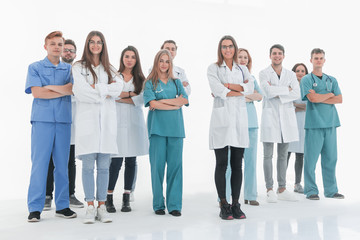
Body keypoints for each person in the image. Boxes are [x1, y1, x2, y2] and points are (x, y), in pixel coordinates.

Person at [25, 31, 77, 222]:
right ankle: (35, 208)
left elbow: (71, 89)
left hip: (63, 120)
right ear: (45, 46)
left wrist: (50, 88)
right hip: (42, 121)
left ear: (64, 47)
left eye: (60, 44)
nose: (57, 47)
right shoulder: (35, 67)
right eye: (53, 44)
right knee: (40, 164)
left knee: (62, 164)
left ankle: (62, 205)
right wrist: (60, 89)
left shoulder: (70, 70)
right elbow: (37, 93)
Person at [72, 31, 123, 223]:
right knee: (87, 167)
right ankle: (90, 206)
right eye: (92, 42)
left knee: (103, 167)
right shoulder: (78, 67)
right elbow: (80, 92)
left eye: (99, 42)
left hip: (106, 125)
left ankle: (102, 206)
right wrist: (105, 90)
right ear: (87, 44)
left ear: (103, 45)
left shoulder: (109, 67)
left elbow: (119, 88)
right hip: (87, 124)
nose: (95, 45)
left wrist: (96, 88)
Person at [207, 35, 253, 220]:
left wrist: (228, 86)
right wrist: (237, 89)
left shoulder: (242, 68)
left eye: (230, 46)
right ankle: (223, 204)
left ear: (235, 48)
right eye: (224, 47)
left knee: (237, 165)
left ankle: (236, 204)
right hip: (221, 121)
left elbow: (250, 88)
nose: (228, 50)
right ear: (220, 49)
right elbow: (219, 91)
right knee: (221, 164)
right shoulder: (213, 68)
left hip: (239, 121)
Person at [143, 49, 189, 217]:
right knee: (157, 168)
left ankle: (175, 205)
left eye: (167, 61)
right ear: (156, 62)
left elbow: (184, 100)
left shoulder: (177, 83)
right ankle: (158, 204)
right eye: (161, 61)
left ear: (171, 64)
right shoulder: (150, 83)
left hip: (176, 130)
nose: (164, 64)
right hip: (157, 130)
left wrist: (163, 101)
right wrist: (173, 104)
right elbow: (152, 104)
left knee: (176, 168)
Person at [105, 46, 148, 213]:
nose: (129, 59)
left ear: (136, 60)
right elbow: (111, 95)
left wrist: (123, 96)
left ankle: (126, 197)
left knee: (131, 161)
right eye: (126, 56)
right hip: (116, 122)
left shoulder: (141, 79)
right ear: (122, 58)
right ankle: (108, 197)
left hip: (133, 123)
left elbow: (142, 99)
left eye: (132, 57)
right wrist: (131, 94)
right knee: (115, 161)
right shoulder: (114, 76)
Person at [44, 39, 84, 210]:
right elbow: (43, 90)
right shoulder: (55, 70)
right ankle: (47, 196)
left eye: (71, 51)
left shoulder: (79, 72)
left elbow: (76, 90)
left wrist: (55, 89)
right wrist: (64, 89)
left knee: (70, 160)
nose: (68, 53)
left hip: (73, 121)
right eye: (65, 49)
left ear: (75, 54)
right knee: (50, 160)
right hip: (54, 118)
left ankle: (70, 194)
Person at [300, 48, 344, 200]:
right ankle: (311, 190)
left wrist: (321, 96)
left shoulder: (332, 79)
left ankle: (331, 191)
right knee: (311, 160)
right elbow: (313, 99)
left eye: (321, 58)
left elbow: (339, 99)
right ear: (311, 60)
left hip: (331, 124)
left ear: (324, 61)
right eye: (316, 58)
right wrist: (329, 94)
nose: (318, 60)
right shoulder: (306, 80)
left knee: (331, 159)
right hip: (314, 125)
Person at [259, 44, 300, 203]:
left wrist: (278, 90)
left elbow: (297, 93)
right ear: (270, 56)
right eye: (274, 53)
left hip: (286, 118)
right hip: (270, 118)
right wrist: (286, 90)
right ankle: (269, 189)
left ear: (283, 56)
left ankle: (282, 188)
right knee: (268, 155)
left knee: (283, 155)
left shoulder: (290, 74)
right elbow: (267, 93)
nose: (277, 56)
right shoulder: (264, 73)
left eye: (280, 53)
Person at [238, 48, 263, 206]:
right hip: (235, 124)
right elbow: (227, 96)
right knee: (230, 163)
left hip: (251, 124)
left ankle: (250, 195)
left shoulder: (252, 78)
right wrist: (248, 96)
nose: (242, 59)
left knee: (251, 161)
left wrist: (243, 96)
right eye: (239, 57)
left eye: (245, 57)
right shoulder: (230, 78)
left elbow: (259, 96)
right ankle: (224, 197)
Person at [287, 63, 308, 194]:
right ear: (293, 72)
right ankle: (281, 184)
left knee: (300, 155)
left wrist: (295, 105)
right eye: (297, 70)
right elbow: (287, 104)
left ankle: (297, 183)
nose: (300, 73)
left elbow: (309, 106)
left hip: (304, 123)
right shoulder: (288, 87)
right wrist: (297, 105)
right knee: (285, 154)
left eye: (302, 71)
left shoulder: (309, 88)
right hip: (289, 123)